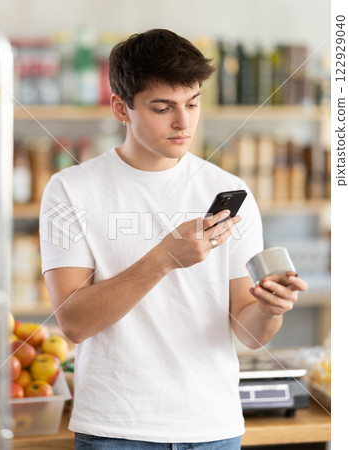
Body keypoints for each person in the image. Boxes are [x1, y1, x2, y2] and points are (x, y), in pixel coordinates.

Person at [40, 29, 308, 450]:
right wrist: (165, 258)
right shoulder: (71, 189)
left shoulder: (228, 189)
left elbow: (250, 332)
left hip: (213, 428)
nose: (183, 122)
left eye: (193, 104)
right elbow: (74, 322)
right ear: (120, 109)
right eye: (163, 108)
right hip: (115, 430)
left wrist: (271, 309)